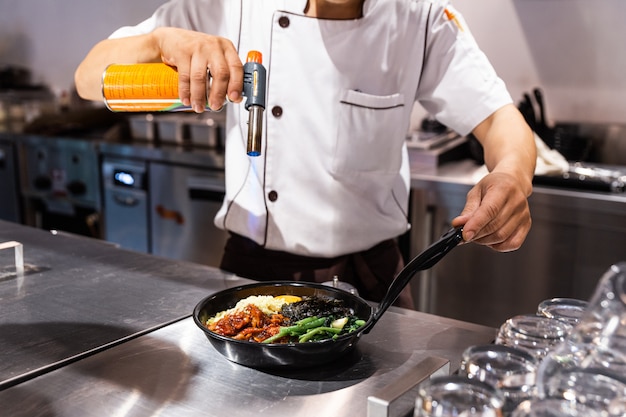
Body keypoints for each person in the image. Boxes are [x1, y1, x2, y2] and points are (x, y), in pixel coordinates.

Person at [75, 0, 536, 309]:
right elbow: (89, 76)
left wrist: (513, 176)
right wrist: (160, 43)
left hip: (374, 278)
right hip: (253, 273)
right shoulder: (229, 6)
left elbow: (499, 119)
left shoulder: (419, 15)